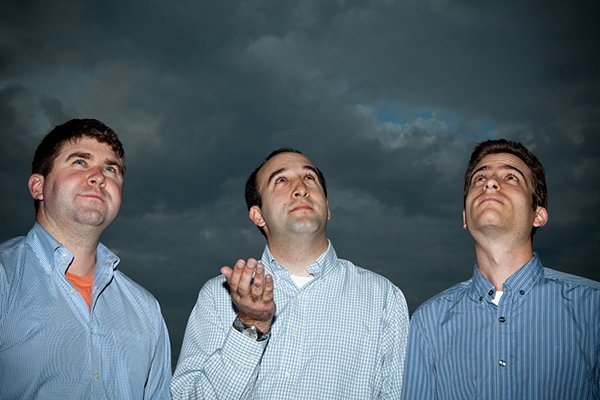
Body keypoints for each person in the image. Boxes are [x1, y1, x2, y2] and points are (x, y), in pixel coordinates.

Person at [172, 148, 409, 399]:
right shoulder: (218, 295)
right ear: (258, 215)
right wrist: (251, 324)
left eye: (309, 178)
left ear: (327, 208)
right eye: (281, 180)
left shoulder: (384, 297)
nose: (301, 189)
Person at [402, 139, 600, 399]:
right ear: (465, 217)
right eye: (479, 178)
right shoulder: (428, 322)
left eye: (511, 177)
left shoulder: (592, 308)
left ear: (538, 215)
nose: (490, 183)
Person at [0, 119, 172, 399]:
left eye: (110, 169)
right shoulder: (5, 276)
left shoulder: (146, 310)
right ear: (38, 187)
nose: (99, 177)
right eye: (80, 162)